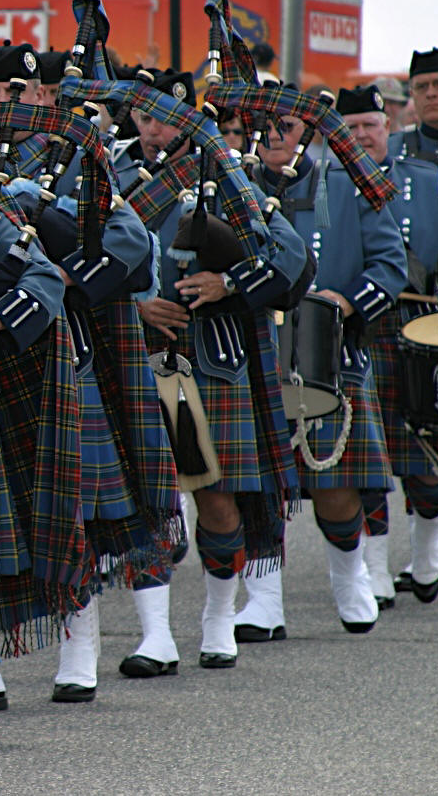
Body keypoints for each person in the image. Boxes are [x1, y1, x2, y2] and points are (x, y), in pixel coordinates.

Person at [118, 79, 306, 671]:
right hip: (138, 357)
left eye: (166, 120)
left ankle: (219, 618)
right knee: (147, 501)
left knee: (218, 500)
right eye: (146, 119)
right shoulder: (116, 179)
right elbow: (85, 261)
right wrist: (137, 305)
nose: (155, 131)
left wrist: (228, 284)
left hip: (213, 360)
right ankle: (155, 637)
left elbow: (291, 258)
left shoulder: (233, 180)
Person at [227, 108, 405, 639]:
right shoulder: (230, 187)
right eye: (262, 126)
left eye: (286, 125)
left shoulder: (349, 183)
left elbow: (389, 266)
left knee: (335, 483)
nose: (273, 136)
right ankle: (263, 600)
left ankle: (351, 578)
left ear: (307, 129)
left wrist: (343, 303)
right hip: (251, 352)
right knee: (255, 484)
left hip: (330, 350)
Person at [337, 86, 438, 605]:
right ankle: (374, 568)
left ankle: (427, 550)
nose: (361, 136)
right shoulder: (325, 186)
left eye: (369, 125)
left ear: (388, 127)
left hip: (420, 323)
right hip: (354, 327)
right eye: (349, 128)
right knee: (363, 457)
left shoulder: (426, 179)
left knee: (425, 451)